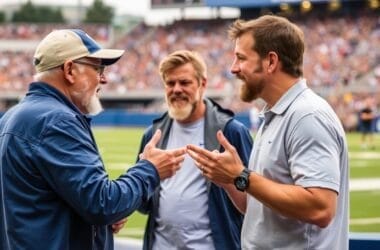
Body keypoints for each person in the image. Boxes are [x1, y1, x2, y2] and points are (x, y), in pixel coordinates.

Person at [0, 29, 186, 250]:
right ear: (70, 70)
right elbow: (102, 203)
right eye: (98, 68)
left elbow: (41, 203)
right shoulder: (57, 120)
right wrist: (151, 169)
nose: (104, 78)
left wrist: (98, 225)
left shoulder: (11, 117)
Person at [187, 15, 349, 249]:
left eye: (241, 58)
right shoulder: (276, 115)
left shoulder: (307, 116)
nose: (233, 69)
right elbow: (258, 207)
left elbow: (321, 208)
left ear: (271, 61)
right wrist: (227, 179)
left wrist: (241, 175)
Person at [136, 50, 253, 250]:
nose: (177, 89)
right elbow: (142, 204)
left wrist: (230, 180)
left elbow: (256, 200)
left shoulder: (231, 132)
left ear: (202, 84)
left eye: (185, 82)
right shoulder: (153, 135)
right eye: (170, 83)